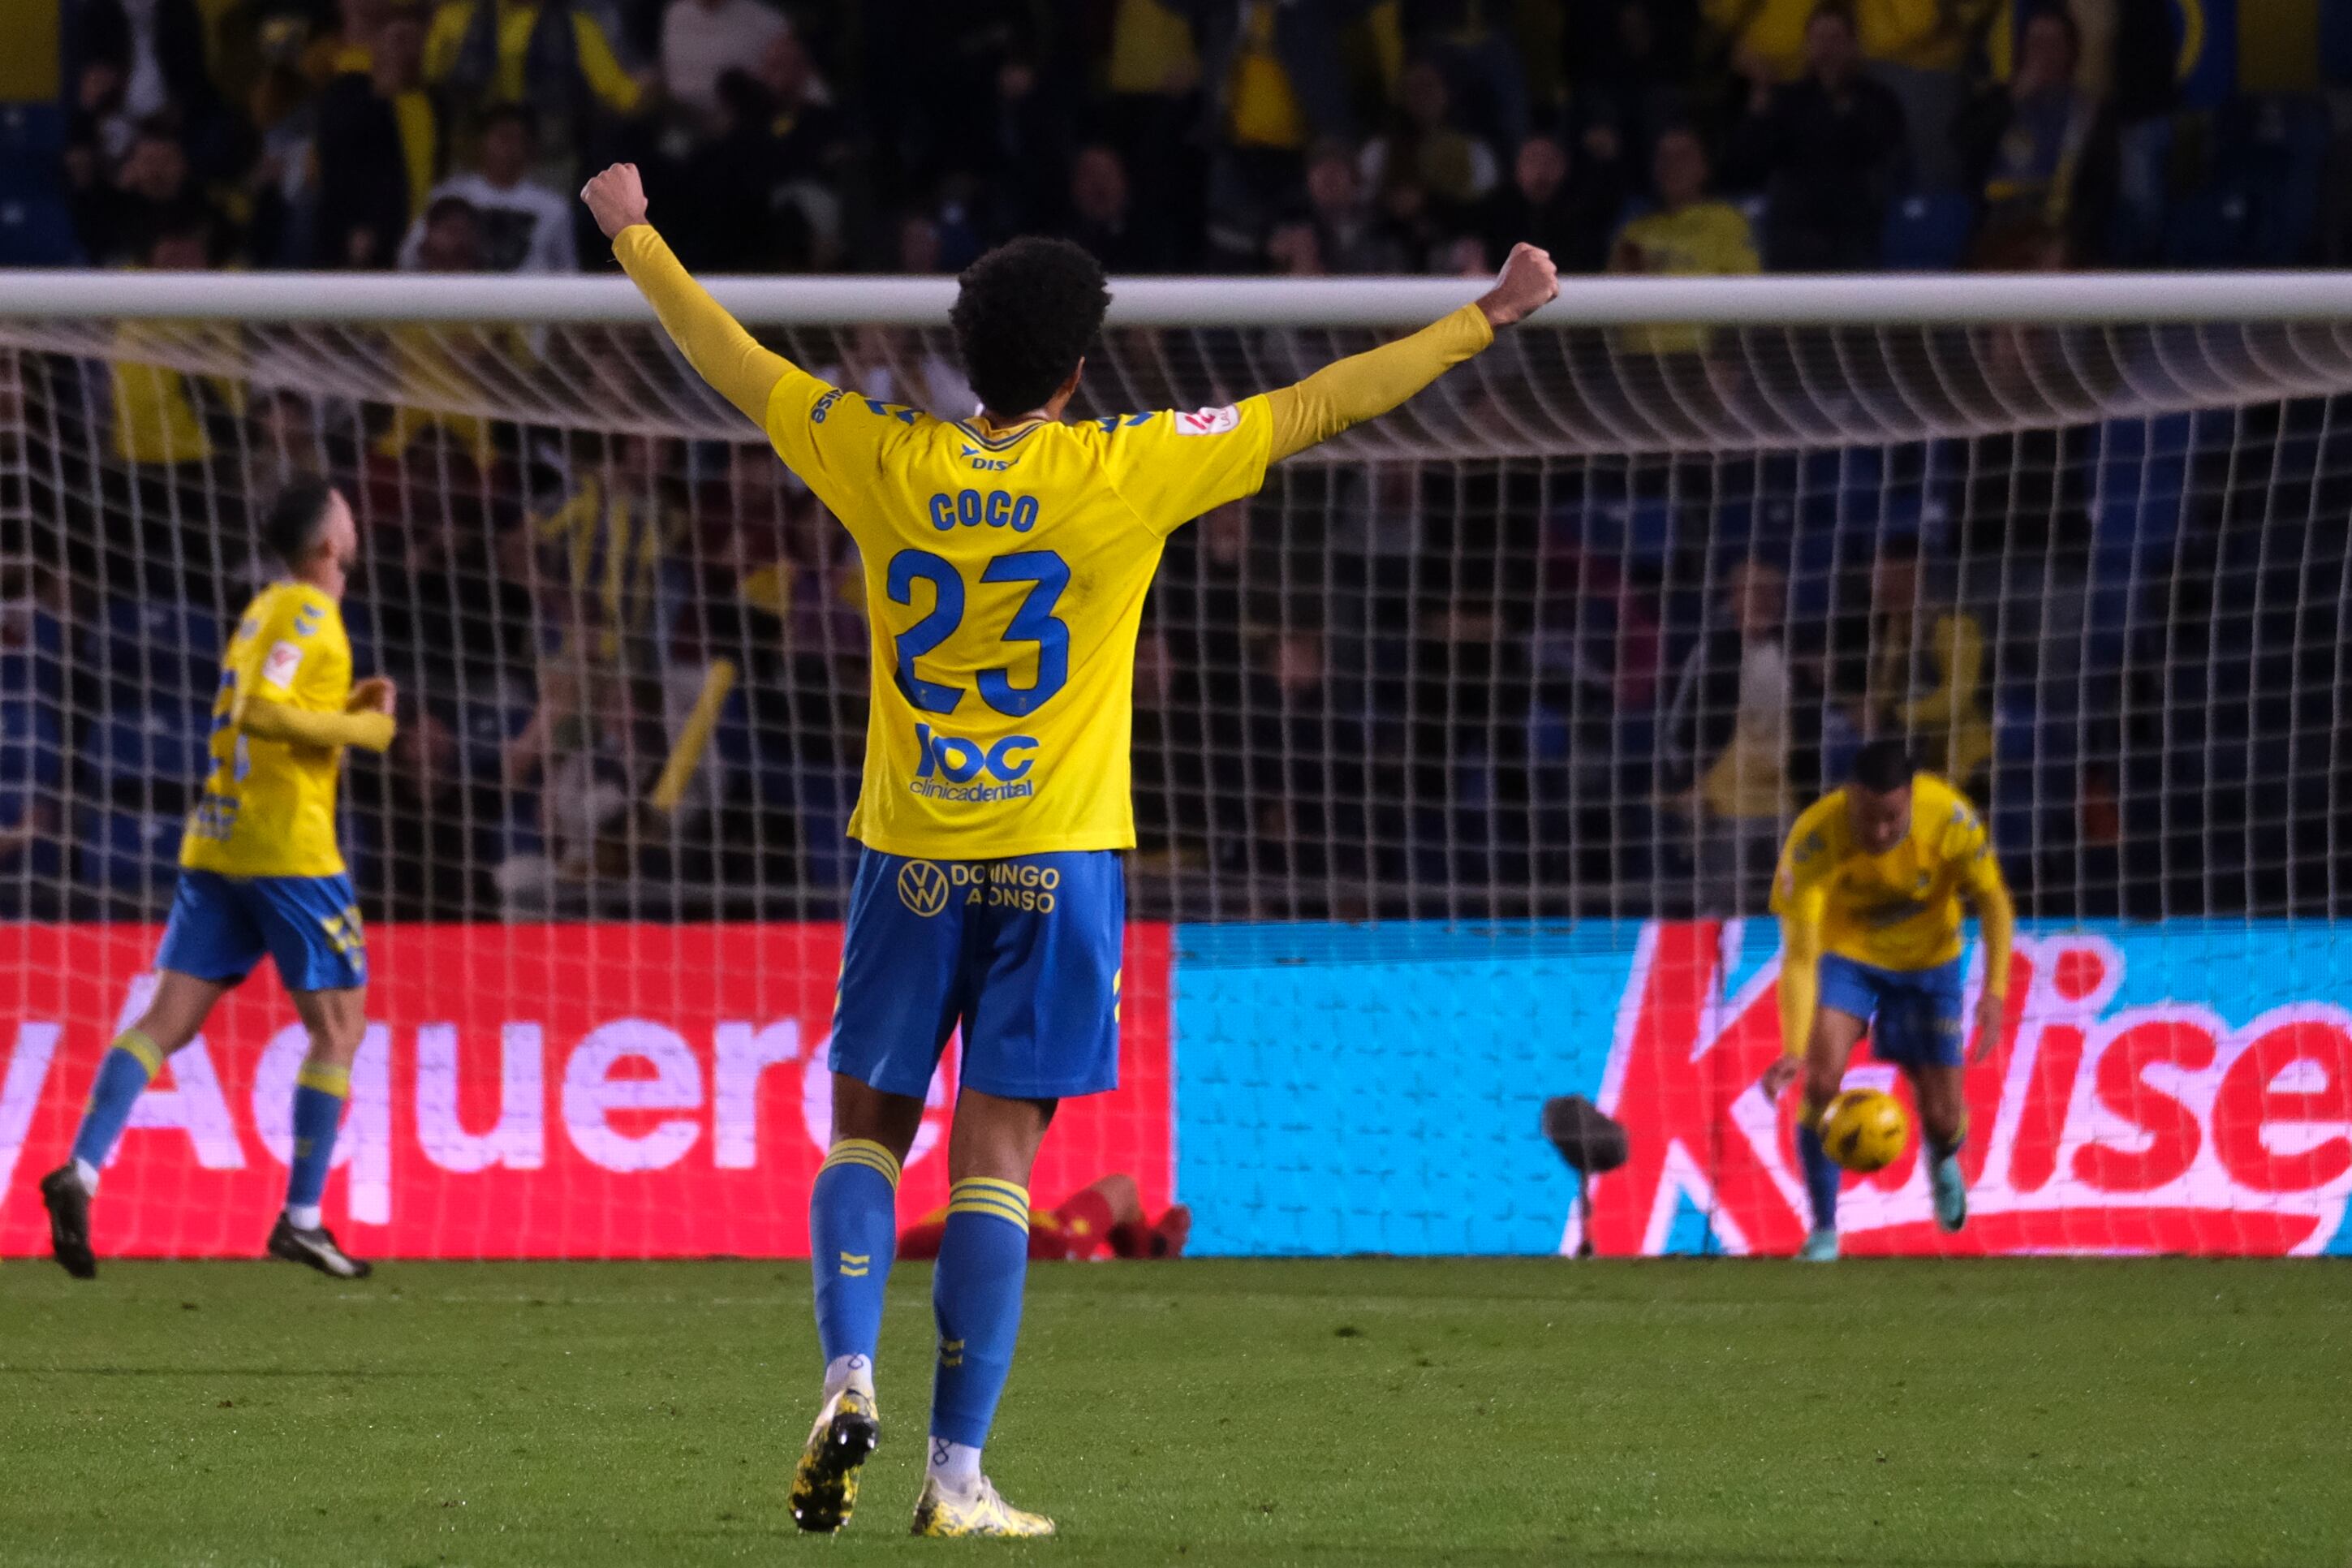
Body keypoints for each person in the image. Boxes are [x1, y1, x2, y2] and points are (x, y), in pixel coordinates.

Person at [581, 159, 1557, 1536]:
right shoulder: (1124, 465)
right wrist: (1484, 315)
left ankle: (846, 1367)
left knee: (865, 1131)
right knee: (995, 1160)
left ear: (963, 355)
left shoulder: (884, 456)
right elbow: (1322, 401)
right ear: (1078, 365)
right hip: (1059, 860)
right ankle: (952, 1474)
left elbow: (729, 359)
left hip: (904, 851)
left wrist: (636, 236)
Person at [38, 478, 399, 1282]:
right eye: (346, 511)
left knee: (164, 1021)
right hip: (290, 854)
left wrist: (340, 705)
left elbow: (272, 704)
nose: (354, 519)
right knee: (338, 1031)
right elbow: (264, 714)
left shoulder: (264, 610)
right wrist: (362, 728)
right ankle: (302, 1218)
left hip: (217, 844)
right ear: (328, 545)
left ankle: (83, 1168)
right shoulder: (309, 610)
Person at [1759, 739, 2014, 1261]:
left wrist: (1994, 990)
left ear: (1911, 801)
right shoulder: (1813, 839)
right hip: (1849, 959)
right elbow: (1801, 957)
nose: (1879, 832)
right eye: (1868, 818)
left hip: (1929, 965)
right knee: (1822, 1080)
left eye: (1892, 820)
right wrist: (1792, 1047)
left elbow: (1993, 901)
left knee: (1944, 1116)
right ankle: (1825, 1231)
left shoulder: (1949, 818)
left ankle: (1943, 1156)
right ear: (1849, 796)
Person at [398, 104, 575, 273]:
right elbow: (409, 257)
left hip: (528, 300)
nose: (509, 148)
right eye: (502, 137)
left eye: (517, 139)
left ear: (530, 146)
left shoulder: (553, 207)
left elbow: (568, 271)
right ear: (481, 141)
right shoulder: (447, 196)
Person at [897, 1174, 1192, 1263]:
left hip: (917, 1246)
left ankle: (1148, 1249)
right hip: (1034, 1243)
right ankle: (1151, 1251)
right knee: (1123, 1188)